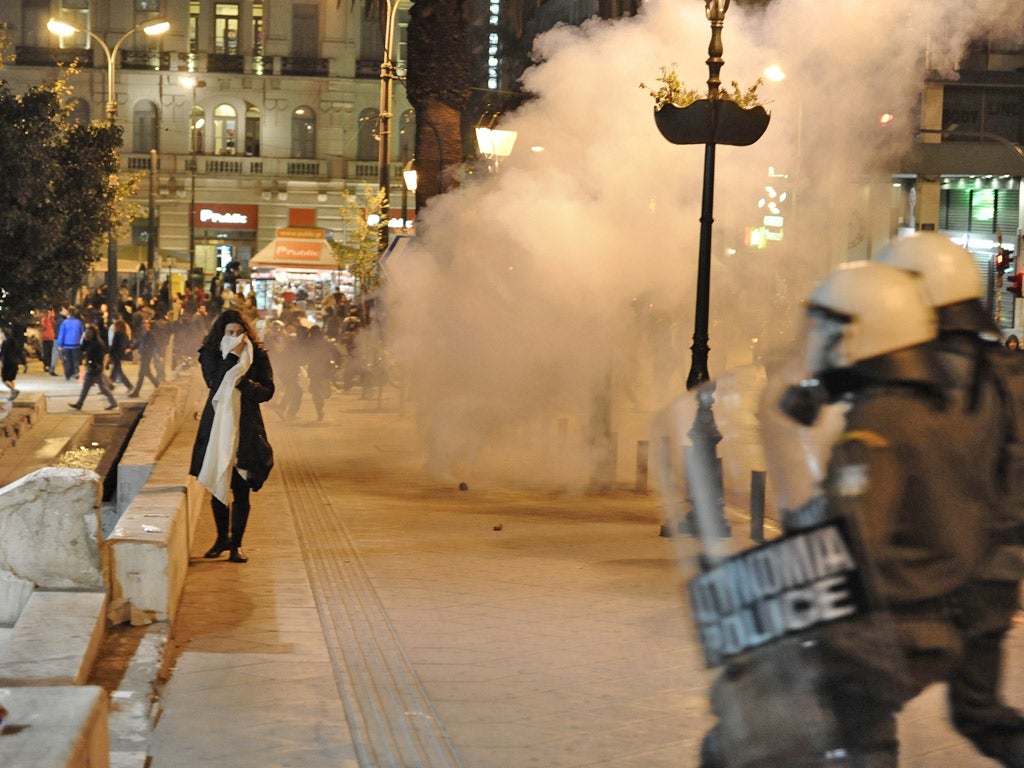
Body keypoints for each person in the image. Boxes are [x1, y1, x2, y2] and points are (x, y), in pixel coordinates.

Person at [701, 262, 998, 767]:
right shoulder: (921, 408)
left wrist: (763, 582)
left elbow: (852, 538)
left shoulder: (877, 423)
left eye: (828, 331)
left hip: (890, 625)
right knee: (859, 736)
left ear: (861, 334)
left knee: (743, 735)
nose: (818, 345)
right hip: (925, 617)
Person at [876, 232, 1024, 766]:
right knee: (979, 711)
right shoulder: (1009, 374)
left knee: (855, 702)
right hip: (995, 582)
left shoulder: (911, 377)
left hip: (925, 582)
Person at [189, 309, 275, 564]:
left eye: (240, 333)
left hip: (246, 427)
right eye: (229, 333)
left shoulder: (258, 354)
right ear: (220, 334)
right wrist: (233, 359)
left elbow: (268, 390)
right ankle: (220, 538)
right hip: (217, 426)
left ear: (247, 333)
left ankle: (236, 543)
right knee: (218, 484)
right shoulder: (211, 353)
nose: (235, 338)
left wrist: (244, 383)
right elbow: (214, 382)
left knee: (241, 488)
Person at [69, 324, 118, 411]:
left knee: (99, 387)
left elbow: (99, 356)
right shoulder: (89, 341)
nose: (88, 334)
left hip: (95, 368)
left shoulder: (97, 343)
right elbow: (82, 348)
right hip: (92, 367)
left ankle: (113, 402)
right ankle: (79, 404)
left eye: (89, 332)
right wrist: (83, 339)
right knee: (87, 387)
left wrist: (94, 364)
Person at [303, 325, 337, 421]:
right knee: (319, 391)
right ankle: (320, 409)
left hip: (317, 371)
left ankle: (319, 408)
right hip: (323, 371)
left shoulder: (308, 343)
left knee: (318, 392)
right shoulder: (325, 343)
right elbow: (336, 353)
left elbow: (302, 355)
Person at [129, 317, 162, 397]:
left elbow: (156, 345)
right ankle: (158, 386)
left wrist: (160, 355)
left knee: (142, 374)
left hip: (147, 356)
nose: (144, 324)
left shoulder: (151, 335)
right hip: (143, 355)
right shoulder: (143, 334)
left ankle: (136, 392)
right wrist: (131, 348)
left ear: (149, 325)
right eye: (143, 323)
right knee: (147, 373)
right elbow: (139, 342)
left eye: (146, 323)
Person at [56, 307, 85, 380]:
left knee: (67, 360)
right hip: (76, 344)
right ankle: (76, 372)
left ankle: (68, 374)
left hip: (66, 345)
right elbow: (82, 333)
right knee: (76, 359)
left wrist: (60, 344)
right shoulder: (78, 322)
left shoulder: (65, 322)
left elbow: (61, 334)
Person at [1, 323, 25, 401]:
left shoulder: (5, 343)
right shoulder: (15, 343)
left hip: (8, 364)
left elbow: (2, 354)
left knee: (5, 380)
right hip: (15, 363)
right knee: (11, 379)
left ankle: (14, 391)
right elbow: (20, 352)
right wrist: (23, 362)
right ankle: (12, 394)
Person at [107, 318, 133, 391]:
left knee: (119, 372)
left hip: (115, 355)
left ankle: (129, 386)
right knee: (117, 371)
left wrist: (109, 354)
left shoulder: (117, 334)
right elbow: (127, 345)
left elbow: (114, 346)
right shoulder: (125, 335)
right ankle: (109, 385)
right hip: (120, 355)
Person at [40, 308, 56, 374]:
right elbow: (43, 327)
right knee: (46, 353)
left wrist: (51, 318)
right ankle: (46, 365)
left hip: (52, 338)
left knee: (51, 353)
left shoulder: (53, 320)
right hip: (45, 338)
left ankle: (50, 365)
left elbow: (54, 325)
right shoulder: (44, 320)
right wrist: (47, 319)